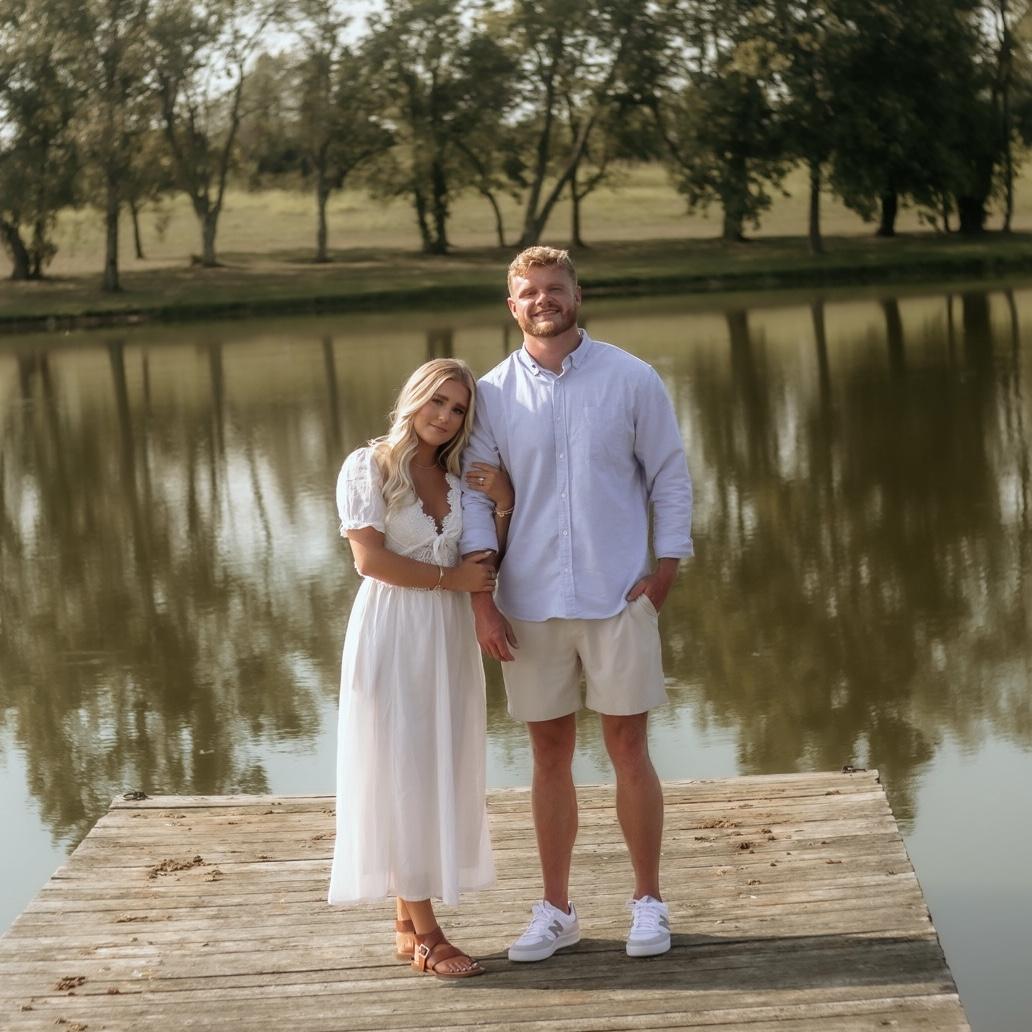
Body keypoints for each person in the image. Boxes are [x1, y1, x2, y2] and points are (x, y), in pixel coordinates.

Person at [460, 246, 693, 962]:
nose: (543, 300)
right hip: (527, 602)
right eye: (528, 291)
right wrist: (483, 601)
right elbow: (475, 502)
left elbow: (670, 475)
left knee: (629, 748)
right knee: (548, 754)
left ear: (576, 293)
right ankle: (557, 910)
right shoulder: (490, 395)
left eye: (554, 288)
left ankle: (648, 902)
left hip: (618, 594)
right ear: (512, 305)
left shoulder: (631, 378)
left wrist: (665, 571)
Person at [328, 358, 514, 980]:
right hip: (392, 630)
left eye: (458, 409)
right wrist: (449, 580)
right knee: (401, 768)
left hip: (446, 637)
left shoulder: (459, 480)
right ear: (414, 398)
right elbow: (370, 561)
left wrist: (504, 504)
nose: (446, 416)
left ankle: (405, 923)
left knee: (434, 767)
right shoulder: (370, 466)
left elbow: (485, 564)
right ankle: (430, 934)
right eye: (438, 401)